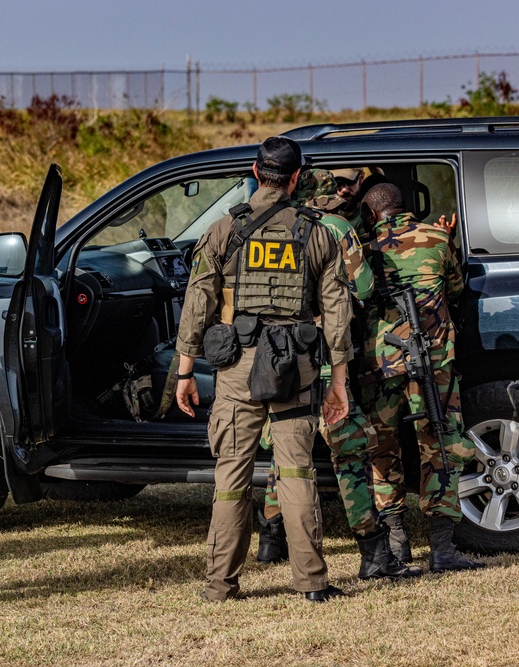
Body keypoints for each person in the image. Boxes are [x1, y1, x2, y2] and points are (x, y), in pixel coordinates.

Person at [175, 137, 353, 602]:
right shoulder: (318, 234)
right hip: (294, 367)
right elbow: (336, 312)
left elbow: (198, 303)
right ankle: (312, 584)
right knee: (296, 474)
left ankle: (220, 586)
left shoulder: (222, 231)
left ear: (256, 172)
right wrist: (339, 381)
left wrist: (184, 370)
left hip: (236, 367)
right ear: (296, 178)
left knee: (231, 478)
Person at [255, 169, 420, 581]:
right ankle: (373, 552)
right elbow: (363, 287)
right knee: (349, 455)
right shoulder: (338, 228)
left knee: (284, 451)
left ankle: (270, 540)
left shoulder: (266, 224)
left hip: (277, 357)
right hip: (326, 358)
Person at [358, 182, 483, 572]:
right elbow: (458, 289)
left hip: (381, 367)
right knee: (440, 447)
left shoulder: (363, 251)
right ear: (405, 207)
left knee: (381, 450)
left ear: (370, 214)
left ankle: (397, 545)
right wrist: (448, 241)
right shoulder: (437, 237)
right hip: (434, 364)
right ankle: (442, 549)